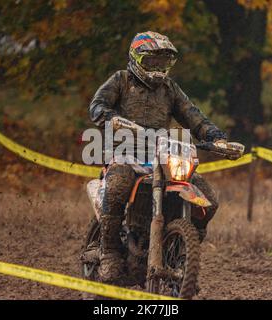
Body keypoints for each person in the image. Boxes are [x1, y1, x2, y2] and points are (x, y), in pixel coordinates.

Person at [89, 31, 237, 283]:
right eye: (152, 62)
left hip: (161, 153)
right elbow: (97, 105)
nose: (157, 69)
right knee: (118, 186)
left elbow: (193, 116)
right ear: (137, 59)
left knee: (208, 199)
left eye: (163, 63)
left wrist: (216, 137)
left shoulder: (169, 89)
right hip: (124, 153)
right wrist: (109, 116)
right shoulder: (121, 80)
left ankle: (179, 247)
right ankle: (110, 253)